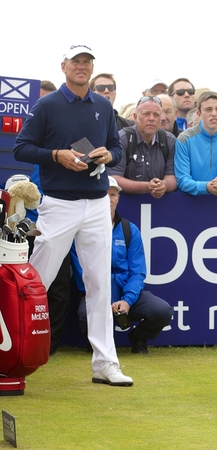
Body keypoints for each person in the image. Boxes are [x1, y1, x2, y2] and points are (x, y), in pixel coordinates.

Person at [13, 44, 133, 386]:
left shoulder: (103, 106)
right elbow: (22, 147)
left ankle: (105, 364)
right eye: (76, 62)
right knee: (35, 281)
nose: (82, 67)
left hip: (96, 204)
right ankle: (11, 353)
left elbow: (116, 146)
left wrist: (107, 156)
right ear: (64, 66)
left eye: (87, 62)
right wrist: (56, 155)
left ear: (92, 68)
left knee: (99, 283)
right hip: (59, 203)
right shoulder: (47, 105)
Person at [75, 177, 173, 354]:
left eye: (113, 195)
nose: (109, 199)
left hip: (126, 293)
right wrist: (105, 296)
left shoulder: (130, 230)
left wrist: (127, 300)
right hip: (96, 292)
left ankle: (138, 337)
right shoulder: (82, 231)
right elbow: (81, 272)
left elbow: (138, 273)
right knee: (85, 315)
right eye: (104, 195)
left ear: (118, 198)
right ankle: (102, 346)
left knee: (163, 311)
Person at [175, 91, 217, 196]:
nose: (214, 113)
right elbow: (182, 179)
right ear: (199, 113)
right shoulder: (184, 139)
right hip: (190, 204)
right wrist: (206, 187)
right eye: (208, 109)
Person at [111, 95, 177, 198]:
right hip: (126, 204)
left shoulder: (169, 140)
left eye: (156, 115)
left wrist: (164, 185)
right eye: (146, 114)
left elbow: (172, 177)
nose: (151, 118)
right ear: (135, 117)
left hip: (160, 205)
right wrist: (147, 187)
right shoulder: (122, 138)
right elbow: (114, 178)